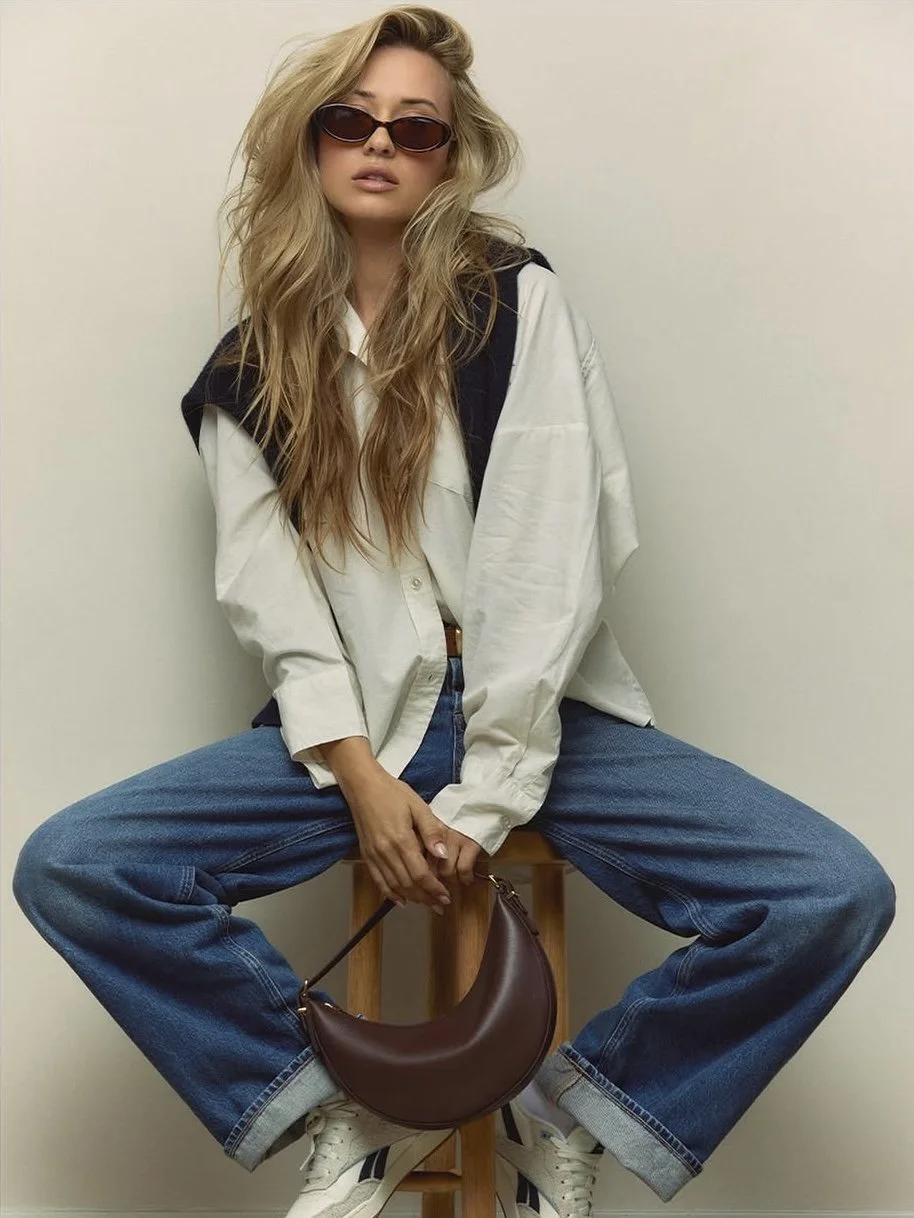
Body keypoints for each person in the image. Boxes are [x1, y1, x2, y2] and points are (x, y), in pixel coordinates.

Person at [12, 7, 895, 1218]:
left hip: (539, 722)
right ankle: (339, 1112)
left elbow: (547, 562)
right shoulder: (248, 368)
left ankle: (565, 1113)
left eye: (414, 128)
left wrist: (481, 798)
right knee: (77, 864)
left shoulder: (513, 305)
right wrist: (363, 777)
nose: (379, 144)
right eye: (349, 120)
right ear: (309, 143)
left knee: (826, 893)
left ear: (449, 152)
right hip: (352, 736)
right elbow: (271, 599)